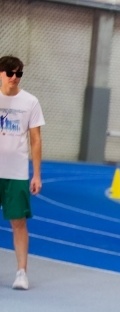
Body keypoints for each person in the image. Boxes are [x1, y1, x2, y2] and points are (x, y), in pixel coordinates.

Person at [0, 56, 44, 291]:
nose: (14, 77)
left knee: (18, 223)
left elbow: (36, 140)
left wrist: (36, 174)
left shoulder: (30, 102)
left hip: (16, 173)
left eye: (19, 74)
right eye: (9, 72)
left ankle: (21, 273)